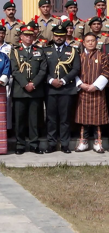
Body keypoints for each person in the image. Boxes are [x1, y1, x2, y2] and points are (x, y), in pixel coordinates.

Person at [43, 25, 81, 154]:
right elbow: (43, 69)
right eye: (57, 35)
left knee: (65, 119)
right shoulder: (46, 50)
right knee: (51, 118)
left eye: (61, 35)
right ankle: (51, 144)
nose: (59, 38)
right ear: (53, 36)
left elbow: (76, 68)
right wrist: (51, 80)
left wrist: (63, 80)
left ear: (66, 36)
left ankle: (65, 144)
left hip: (67, 88)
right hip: (50, 89)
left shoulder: (73, 50)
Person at [10, 25, 47, 155]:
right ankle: (20, 145)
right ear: (21, 37)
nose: (29, 37)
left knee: (34, 120)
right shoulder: (15, 51)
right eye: (26, 35)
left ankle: (34, 144)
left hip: (35, 91)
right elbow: (14, 70)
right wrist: (25, 84)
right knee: (19, 120)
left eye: (31, 35)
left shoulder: (39, 51)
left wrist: (34, 83)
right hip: (20, 91)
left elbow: (43, 70)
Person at [75, 33, 109, 153]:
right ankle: (83, 141)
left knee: (97, 118)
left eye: (92, 41)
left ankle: (97, 142)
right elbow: (75, 72)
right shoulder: (79, 57)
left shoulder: (102, 56)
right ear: (83, 43)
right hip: (83, 92)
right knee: (84, 118)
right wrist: (81, 84)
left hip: (97, 92)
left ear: (96, 42)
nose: (90, 43)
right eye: (88, 41)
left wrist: (95, 86)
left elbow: (106, 72)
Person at [0, 22, 13, 130]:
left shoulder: (9, 47)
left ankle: (7, 127)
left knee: (7, 103)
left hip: (6, 78)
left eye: (3, 33)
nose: (1, 35)